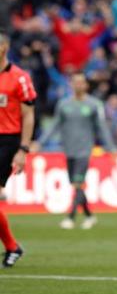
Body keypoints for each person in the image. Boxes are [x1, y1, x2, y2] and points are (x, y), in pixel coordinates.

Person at [32, 73, 116, 230]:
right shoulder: (64, 104)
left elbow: (102, 128)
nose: (78, 85)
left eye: (81, 82)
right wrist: (40, 143)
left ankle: (70, 217)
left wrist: (111, 147)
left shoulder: (94, 104)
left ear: (86, 85)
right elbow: (54, 126)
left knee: (78, 182)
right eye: (75, 82)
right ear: (71, 85)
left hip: (85, 150)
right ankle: (90, 216)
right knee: (76, 184)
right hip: (69, 149)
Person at [0, 31, 36, 267]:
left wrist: (23, 149)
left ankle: (13, 246)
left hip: (6, 141)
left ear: (3, 48)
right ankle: (12, 247)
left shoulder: (19, 77)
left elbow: (28, 115)